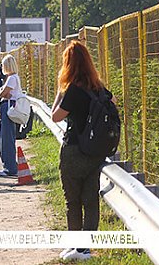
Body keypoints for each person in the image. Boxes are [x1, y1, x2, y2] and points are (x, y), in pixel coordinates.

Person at [51, 41, 116, 261]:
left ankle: (74, 246)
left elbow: (55, 116)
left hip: (73, 152)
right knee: (91, 200)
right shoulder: (97, 87)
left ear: (68, 64)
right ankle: (86, 249)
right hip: (95, 152)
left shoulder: (73, 89)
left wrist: (60, 93)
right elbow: (113, 101)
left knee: (73, 201)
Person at [0, 54, 22, 177]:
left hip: (8, 107)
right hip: (8, 105)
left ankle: (10, 167)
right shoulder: (13, 78)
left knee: (6, 138)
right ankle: (9, 165)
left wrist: (1, 91)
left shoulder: (11, 78)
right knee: (4, 138)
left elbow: (3, 93)